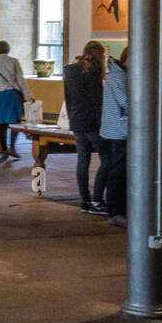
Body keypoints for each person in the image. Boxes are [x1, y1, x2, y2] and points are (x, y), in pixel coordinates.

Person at [63, 41, 108, 214]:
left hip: (77, 121)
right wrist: (102, 123)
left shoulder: (71, 70)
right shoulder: (93, 71)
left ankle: (85, 201)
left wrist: (71, 118)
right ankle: (97, 200)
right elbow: (97, 102)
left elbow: (67, 98)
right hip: (91, 122)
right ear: (98, 54)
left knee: (83, 159)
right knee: (108, 159)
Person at [0, 40, 32, 157]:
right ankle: (12, 147)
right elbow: (20, 80)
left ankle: (4, 149)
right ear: (8, 50)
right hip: (11, 94)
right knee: (15, 121)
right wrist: (28, 95)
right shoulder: (14, 62)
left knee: (1, 123)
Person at [100, 46, 129, 226]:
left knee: (117, 170)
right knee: (117, 171)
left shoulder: (117, 75)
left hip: (116, 128)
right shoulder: (118, 77)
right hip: (120, 130)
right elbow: (125, 101)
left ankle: (117, 209)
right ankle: (115, 211)